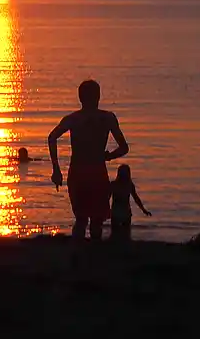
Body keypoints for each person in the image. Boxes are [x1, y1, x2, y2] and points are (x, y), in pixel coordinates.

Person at [48, 80, 129, 241]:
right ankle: (93, 255)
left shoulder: (73, 119)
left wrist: (56, 168)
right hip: (97, 171)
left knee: (81, 219)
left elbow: (52, 137)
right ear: (98, 96)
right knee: (96, 221)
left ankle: (79, 255)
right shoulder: (107, 118)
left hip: (78, 171)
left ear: (80, 97)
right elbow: (124, 148)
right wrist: (108, 156)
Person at [110, 164, 151, 242]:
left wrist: (143, 209)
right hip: (121, 212)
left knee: (118, 235)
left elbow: (136, 198)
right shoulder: (122, 185)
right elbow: (136, 198)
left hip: (120, 212)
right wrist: (143, 210)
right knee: (123, 235)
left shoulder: (117, 184)